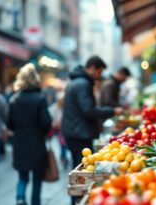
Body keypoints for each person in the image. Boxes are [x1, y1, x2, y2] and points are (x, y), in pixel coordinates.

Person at [61, 57, 123, 204]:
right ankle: (78, 200)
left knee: (78, 167)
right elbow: (88, 110)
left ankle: (77, 199)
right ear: (93, 68)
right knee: (82, 169)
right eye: (100, 71)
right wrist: (112, 110)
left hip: (73, 130)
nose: (100, 75)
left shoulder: (76, 81)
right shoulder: (83, 84)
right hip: (79, 132)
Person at [7, 63, 52, 205]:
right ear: (35, 79)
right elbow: (46, 122)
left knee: (22, 177)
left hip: (20, 142)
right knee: (37, 179)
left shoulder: (14, 99)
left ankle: (20, 198)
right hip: (37, 143)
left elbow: (9, 123)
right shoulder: (40, 98)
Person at [48, 92, 69, 168]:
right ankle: (63, 158)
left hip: (65, 129)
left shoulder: (66, 107)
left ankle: (64, 158)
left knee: (64, 145)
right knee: (62, 145)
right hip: (59, 130)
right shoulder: (54, 108)